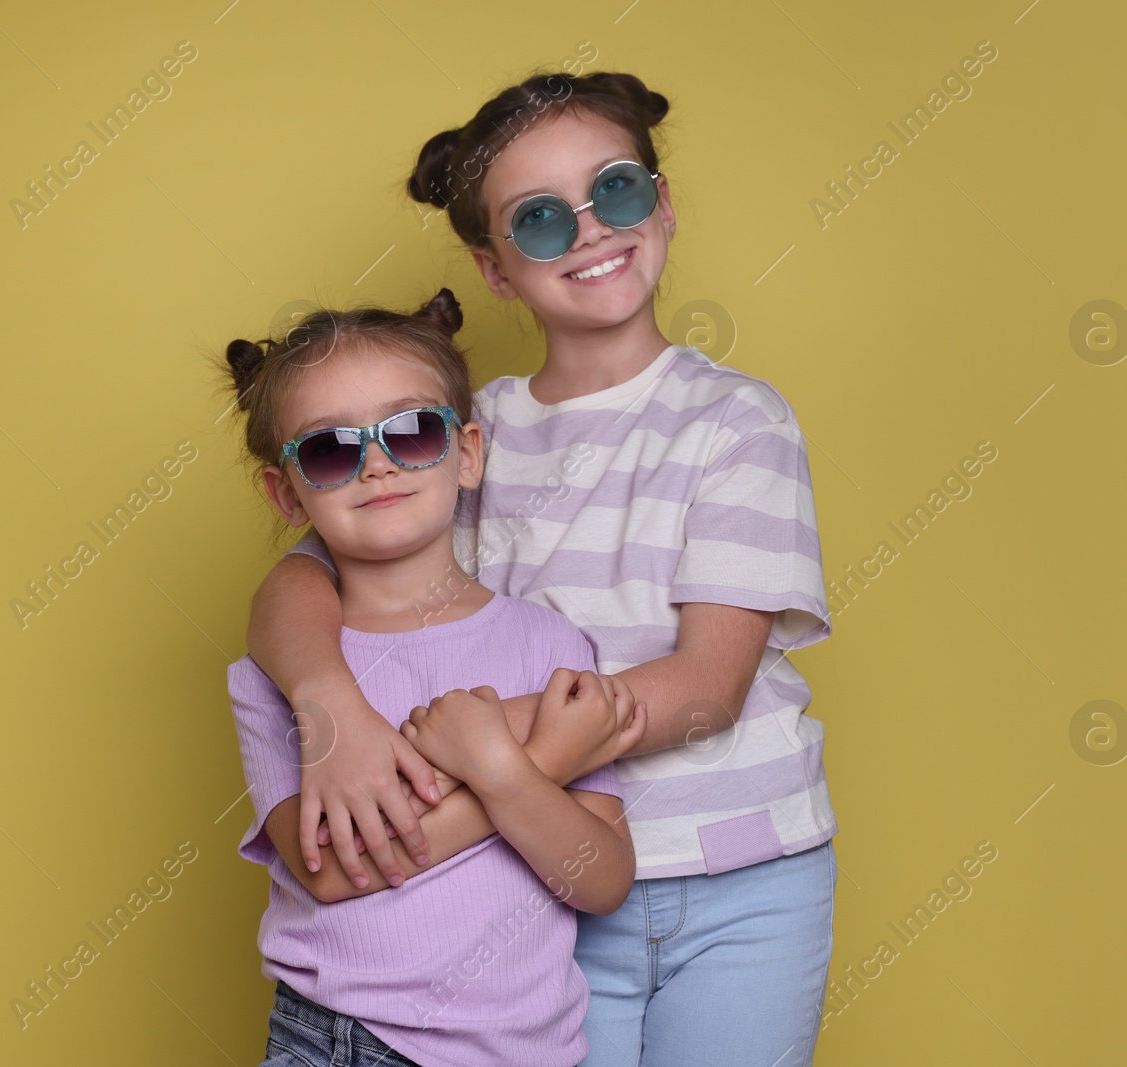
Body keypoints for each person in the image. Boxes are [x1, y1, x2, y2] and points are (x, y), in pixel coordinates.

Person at [249, 70, 839, 1065]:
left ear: (662, 202)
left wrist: (477, 752)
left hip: (745, 878)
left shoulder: (738, 421)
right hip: (524, 879)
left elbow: (704, 690)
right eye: (539, 218)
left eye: (613, 190)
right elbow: (296, 580)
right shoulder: (462, 432)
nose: (593, 231)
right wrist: (333, 710)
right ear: (494, 268)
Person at [223, 288, 644, 1067]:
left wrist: (502, 773)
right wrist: (532, 764)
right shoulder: (273, 672)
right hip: (342, 1042)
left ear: (469, 451)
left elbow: (604, 878)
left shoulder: (550, 644)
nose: (376, 463)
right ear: (286, 492)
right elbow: (332, 872)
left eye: (412, 430)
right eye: (329, 449)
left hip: (531, 1051)